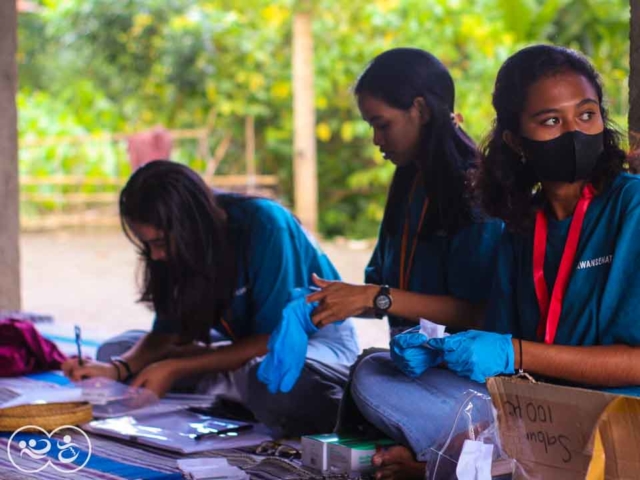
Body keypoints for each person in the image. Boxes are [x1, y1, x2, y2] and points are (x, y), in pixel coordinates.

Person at [352, 44, 640, 479]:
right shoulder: (522, 227)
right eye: (550, 121)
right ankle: (447, 465)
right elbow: (503, 370)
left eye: (587, 115)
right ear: (514, 140)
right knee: (373, 373)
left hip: (625, 416)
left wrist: (515, 351)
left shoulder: (631, 207)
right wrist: (440, 351)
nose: (575, 132)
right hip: (548, 420)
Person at [62, 160, 360, 436]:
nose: (156, 255)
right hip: (243, 346)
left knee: (269, 377)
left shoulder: (265, 225)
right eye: (147, 245)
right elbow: (166, 333)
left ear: (189, 225)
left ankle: (233, 382)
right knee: (114, 349)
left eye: (160, 243)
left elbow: (272, 339)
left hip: (312, 343)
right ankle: (231, 382)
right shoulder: (182, 244)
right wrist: (116, 368)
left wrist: (175, 367)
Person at [307, 48, 503, 337]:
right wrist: (326, 300)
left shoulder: (474, 189)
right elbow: (381, 292)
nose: (376, 139)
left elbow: (478, 312)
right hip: (413, 362)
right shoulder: (410, 182)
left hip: (464, 372)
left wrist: (373, 296)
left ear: (421, 110)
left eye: (382, 124)